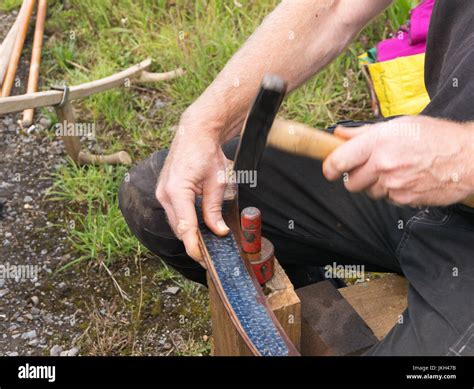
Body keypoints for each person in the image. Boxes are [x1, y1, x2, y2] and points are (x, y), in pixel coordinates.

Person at [119, 0, 474, 355]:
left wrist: (462, 157)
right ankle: (311, 297)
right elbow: (335, 6)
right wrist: (206, 122)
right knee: (163, 202)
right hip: (424, 164)